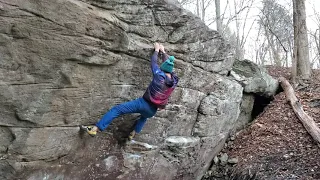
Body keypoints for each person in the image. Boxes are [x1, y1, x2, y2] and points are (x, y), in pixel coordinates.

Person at [82, 42, 179, 140]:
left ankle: (96, 128)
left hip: (143, 103)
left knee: (117, 110)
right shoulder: (174, 80)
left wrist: (157, 51)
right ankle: (133, 133)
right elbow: (169, 66)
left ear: (162, 69)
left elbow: (154, 62)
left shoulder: (159, 75)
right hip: (152, 111)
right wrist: (163, 52)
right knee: (144, 117)